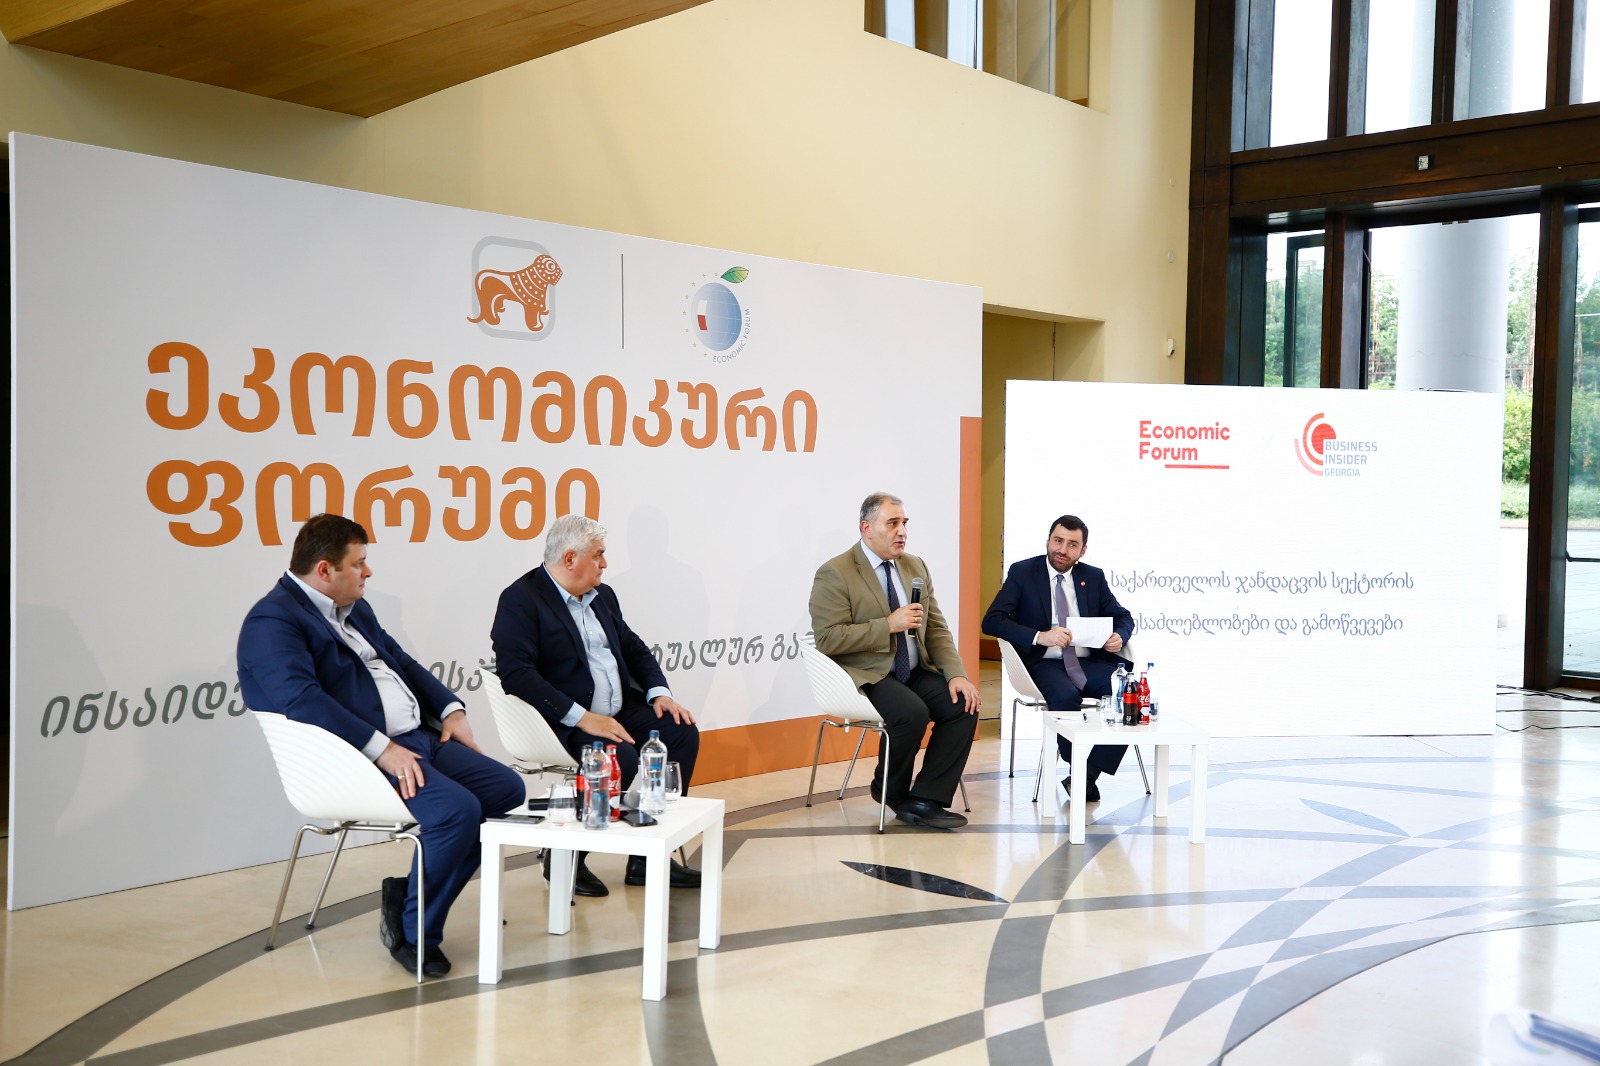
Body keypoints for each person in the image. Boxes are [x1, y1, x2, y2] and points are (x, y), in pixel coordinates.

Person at [238, 514, 524, 979]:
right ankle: (414, 932)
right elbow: (302, 699)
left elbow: (402, 663)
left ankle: (408, 895)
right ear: (325, 569)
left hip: (415, 739)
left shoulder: (354, 607)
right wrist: (382, 748)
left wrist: (450, 710)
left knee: (505, 789)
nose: (367, 572)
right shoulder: (272, 621)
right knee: (457, 812)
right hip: (358, 758)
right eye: (359, 563)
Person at [490, 513, 701, 897]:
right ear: (570, 558)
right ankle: (567, 859)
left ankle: (647, 857)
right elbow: (516, 674)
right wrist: (583, 718)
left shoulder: (603, 595)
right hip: (562, 721)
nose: (605, 563)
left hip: (618, 711)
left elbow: (634, 649)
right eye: (598, 555)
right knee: (618, 757)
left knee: (680, 733)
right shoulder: (521, 600)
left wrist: (659, 693)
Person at [808, 492, 981, 829]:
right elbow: (828, 639)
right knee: (911, 713)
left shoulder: (915, 566)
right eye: (892, 523)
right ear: (866, 528)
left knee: (963, 704)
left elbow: (935, 628)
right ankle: (889, 788)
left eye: (904, 523)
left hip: (913, 670)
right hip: (866, 674)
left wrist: (956, 674)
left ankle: (926, 798)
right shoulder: (836, 572)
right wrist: (887, 625)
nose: (902, 531)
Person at [982, 514, 1134, 802]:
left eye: (1072, 544)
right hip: (1045, 662)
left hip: (1088, 661)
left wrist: (1120, 635)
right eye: (1058, 541)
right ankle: (1081, 770)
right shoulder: (1023, 572)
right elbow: (992, 621)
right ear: (1048, 540)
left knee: (1128, 695)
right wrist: (1040, 636)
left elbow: (1123, 617)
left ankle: (1086, 775)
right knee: (1065, 696)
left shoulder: (1093, 577)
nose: (1062, 550)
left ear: (1082, 551)